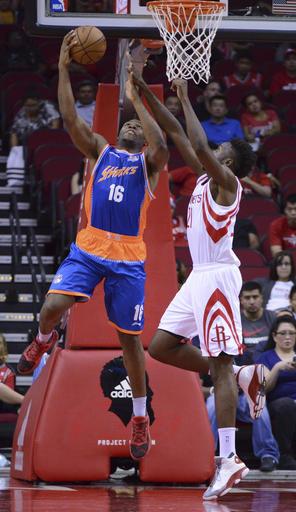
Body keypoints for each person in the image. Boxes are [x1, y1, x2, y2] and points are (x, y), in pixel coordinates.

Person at [16, 31, 168, 462]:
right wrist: (63, 69)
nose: (133, 126)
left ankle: (140, 417)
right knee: (49, 309)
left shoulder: (148, 165)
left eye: (137, 123)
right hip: (89, 246)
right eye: (128, 123)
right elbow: (69, 121)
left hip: (127, 256)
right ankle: (43, 340)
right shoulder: (101, 151)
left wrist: (137, 95)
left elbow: (160, 142)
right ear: (118, 132)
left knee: (130, 342)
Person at [130, 69, 265, 499]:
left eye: (220, 147)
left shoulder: (228, 183)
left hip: (219, 276)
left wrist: (187, 96)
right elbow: (174, 133)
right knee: (160, 347)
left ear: (227, 161)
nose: (213, 146)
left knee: (220, 365)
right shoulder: (207, 175)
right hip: (198, 278)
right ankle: (244, 374)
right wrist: (143, 95)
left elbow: (199, 143)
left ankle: (229, 458)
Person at [256, 315, 296, 469]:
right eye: (283, 333)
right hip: (277, 404)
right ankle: (285, 455)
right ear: (274, 335)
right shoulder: (265, 357)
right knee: (286, 405)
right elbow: (264, 388)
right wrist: (278, 368)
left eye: (292, 333)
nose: (287, 337)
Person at [7, 90, 60, 187]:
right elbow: (14, 132)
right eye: (28, 106)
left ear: (39, 103)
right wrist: (14, 149)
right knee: (17, 151)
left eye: (33, 105)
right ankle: (16, 180)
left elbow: (55, 126)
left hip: (47, 142)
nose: (30, 108)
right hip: (28, 144)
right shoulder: (22, 113)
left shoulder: (48, 107)